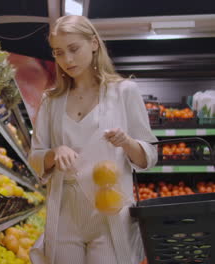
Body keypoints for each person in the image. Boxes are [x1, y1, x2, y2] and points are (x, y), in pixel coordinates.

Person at [28, 15, 158, 264]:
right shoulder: (50, 101)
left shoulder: (124, 92)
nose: (67, 59)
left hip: (110, 211)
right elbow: (35, 158)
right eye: (58, 52)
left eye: (74, 49)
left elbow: (149, 157)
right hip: (65, 213)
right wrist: (54, 153)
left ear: (94, 44)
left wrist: (127, 142)